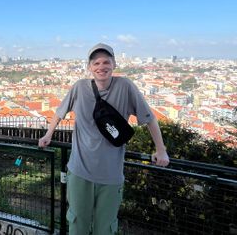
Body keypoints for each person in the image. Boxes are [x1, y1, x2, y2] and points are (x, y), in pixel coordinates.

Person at [38, 43, 169, 235]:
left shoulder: (125, 86)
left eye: (106, 62)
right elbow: (60, 112)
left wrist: (161, 150)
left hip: (111, 175)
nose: (101, 66)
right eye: (96, 62)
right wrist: (48, 134)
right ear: (89, 67)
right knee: (77, 225)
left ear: (114, 64)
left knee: (105, 228)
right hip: (80, 170)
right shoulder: (79, 87)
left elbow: (149, 118)